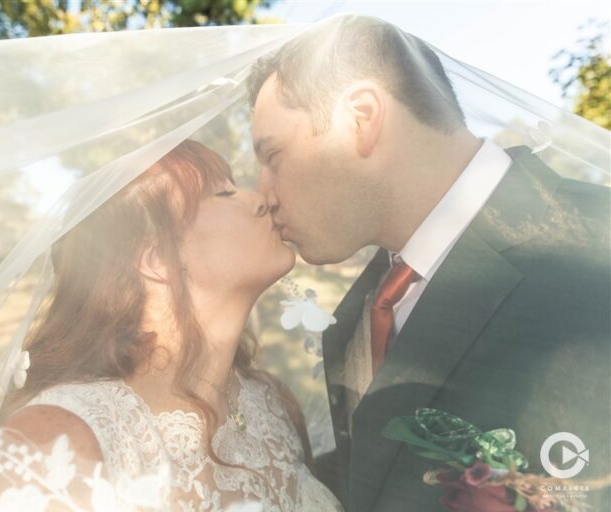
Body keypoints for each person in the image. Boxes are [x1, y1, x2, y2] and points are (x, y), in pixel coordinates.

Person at [247, 14, 610, 512]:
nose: (262, 193)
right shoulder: (357, 318)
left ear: (361, 117)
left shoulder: (595, 244)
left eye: (273, 155)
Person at [0, 139, 344, 512]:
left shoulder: (271, 403)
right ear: (157, 259)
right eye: (223, 193)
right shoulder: (54, 445)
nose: (261, 199)